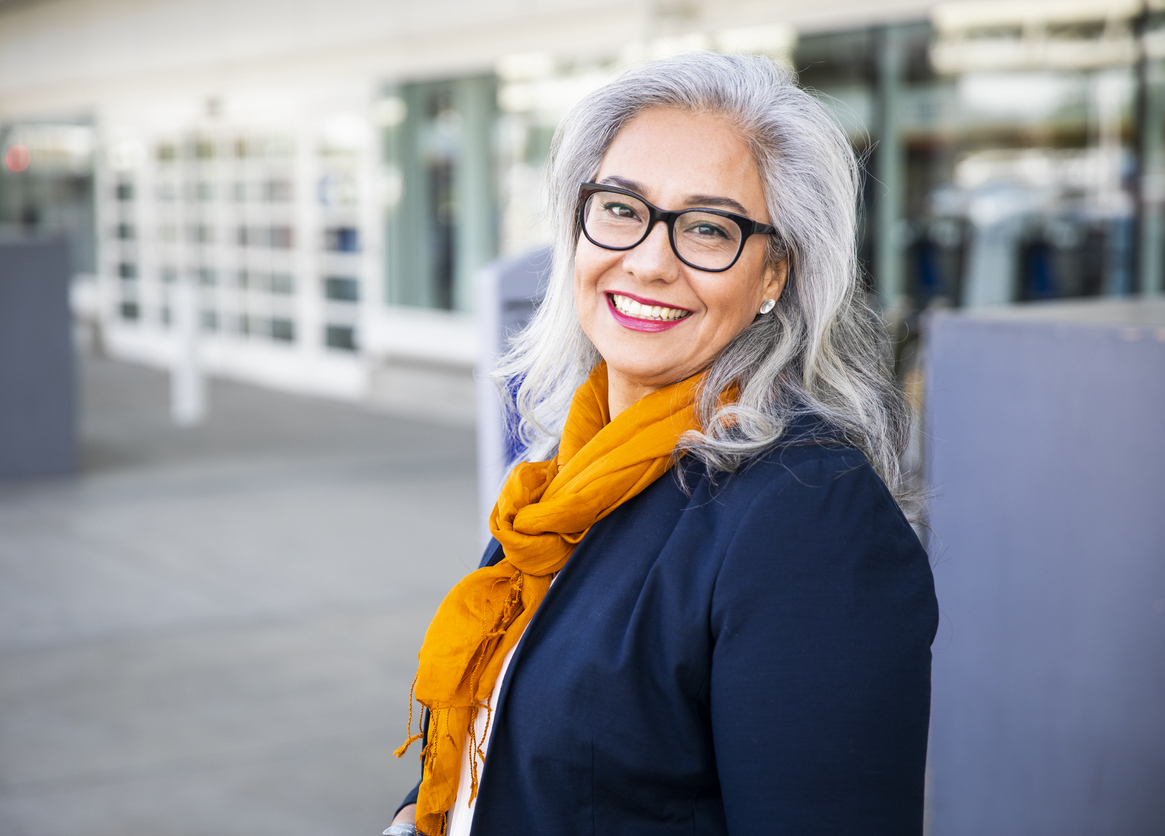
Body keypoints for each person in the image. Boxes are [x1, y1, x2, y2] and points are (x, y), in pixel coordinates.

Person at [385, 51, 937, 836]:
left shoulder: (810, 517)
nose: (647, 261)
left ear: (774, 273)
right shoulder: (570, 473)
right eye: (619, 208)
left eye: (709, 228)